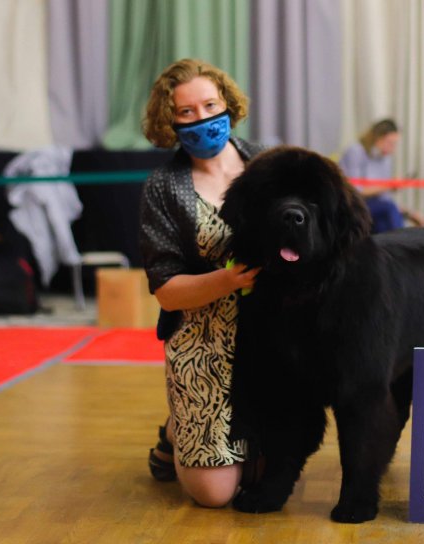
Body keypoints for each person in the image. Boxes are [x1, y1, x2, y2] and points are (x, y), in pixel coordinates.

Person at [139, 58, 263, 507]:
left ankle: (183, 426)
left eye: (210, 105)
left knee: (268, 476)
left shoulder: (266, 162)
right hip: (201, 339)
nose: (203, 118)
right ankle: (177, 428)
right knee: (215, 496)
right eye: (186, 112)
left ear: (227, 103)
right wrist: (228, 279)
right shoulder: (162, 187)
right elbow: (167, 291)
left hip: (268, 337)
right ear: (169, 121)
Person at [338, 119, 424, 233]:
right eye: (390, 143)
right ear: (378, 137)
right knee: (389, 212)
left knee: (386, 222)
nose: (393, 149)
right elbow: (355, 190)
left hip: (372, 210)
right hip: (351, 206)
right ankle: (401, 242)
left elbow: (383, 200)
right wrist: (389, 185)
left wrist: (410, 213)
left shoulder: (385, 160)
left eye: (395, 144)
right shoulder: (355, 152)